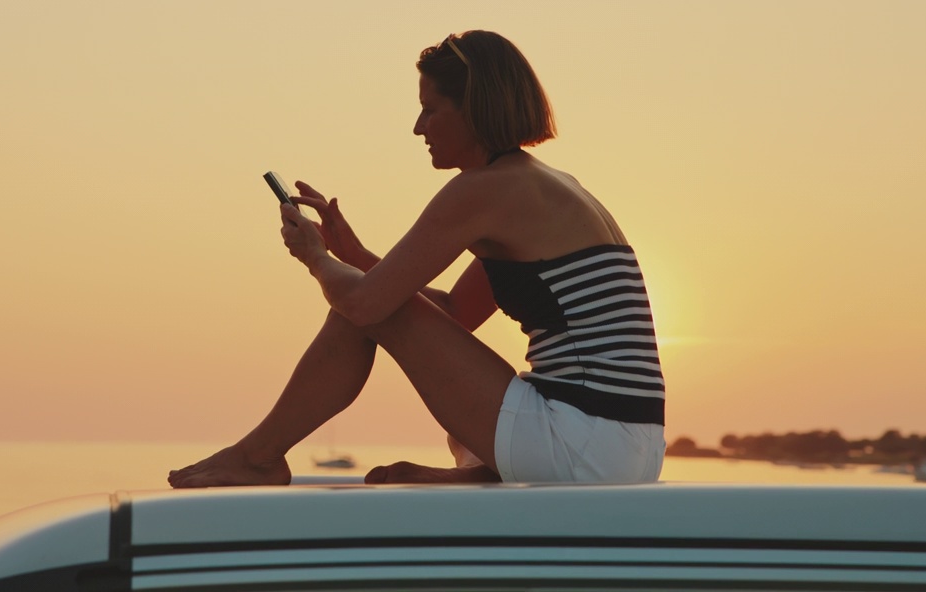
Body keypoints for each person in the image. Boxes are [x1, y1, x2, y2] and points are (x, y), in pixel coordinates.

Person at [168, 31, 665, 487]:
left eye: (430, 110)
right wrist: (353, 254)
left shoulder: (484, 190)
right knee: (378, 309)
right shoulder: (543, 186)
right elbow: (453, 315)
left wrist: (315, 258)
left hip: (584, 441)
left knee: (354, 310)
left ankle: (257, 457)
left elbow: (366, 307)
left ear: (473, 110)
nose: (417, 127)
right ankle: (477, 473)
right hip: (632, 448)